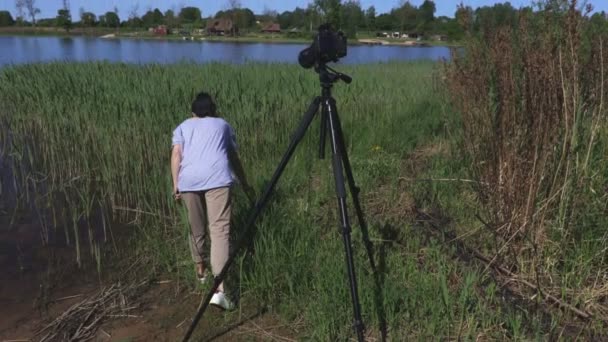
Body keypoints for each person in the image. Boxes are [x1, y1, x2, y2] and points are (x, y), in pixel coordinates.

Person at [171, 92, 255, 311]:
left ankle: (200, 271)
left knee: (196, 228)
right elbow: (233, 157)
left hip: (188, 181)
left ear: (192, 112)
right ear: (213, 110)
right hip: (218, 179)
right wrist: (244, 182)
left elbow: (176, 155)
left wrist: (176, 185)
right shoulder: (223, 125)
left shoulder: (183, 126)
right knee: (219, 231)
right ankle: (219, 291)